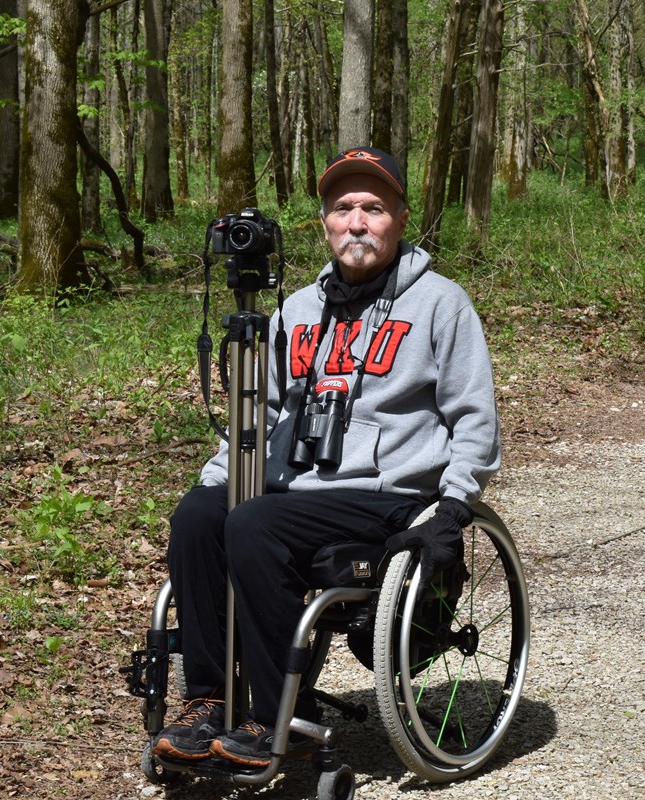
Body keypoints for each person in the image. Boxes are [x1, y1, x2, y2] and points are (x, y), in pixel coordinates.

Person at [152, 147, 501, 769]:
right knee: (201, 515)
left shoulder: (442, 303)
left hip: (387, 497)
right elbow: (259, 414)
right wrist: (217, 479)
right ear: (324, 223)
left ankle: (277, 712)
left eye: (373, 207)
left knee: (253, 524)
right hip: (300, 492)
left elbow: (474, 417)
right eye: (343, 209)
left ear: (399, 217)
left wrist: (453, 507)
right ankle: (208, 699)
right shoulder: (296, 309)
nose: (357, 222)